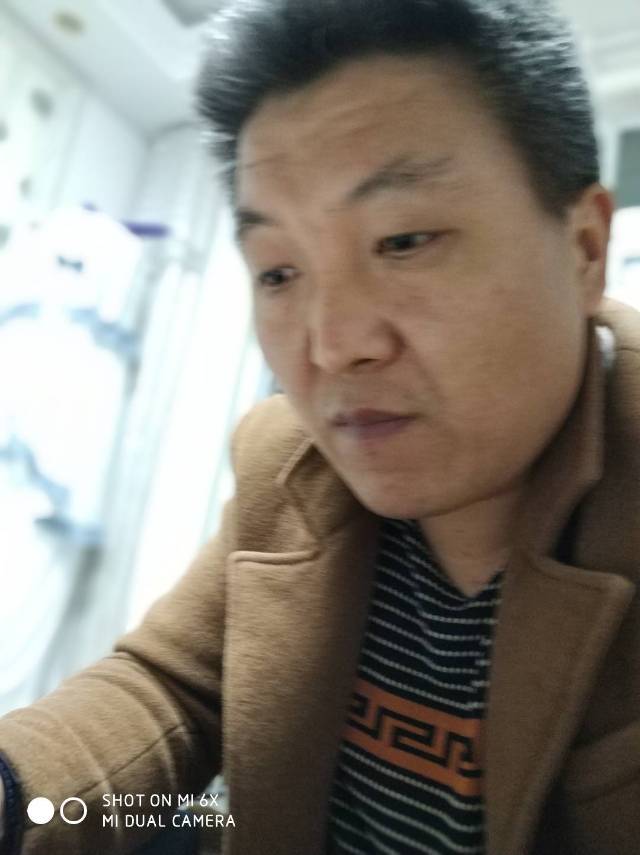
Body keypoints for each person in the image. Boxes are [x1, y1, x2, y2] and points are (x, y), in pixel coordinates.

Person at [1, 0, 638, 852]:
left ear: (584, 247)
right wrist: (17, 796)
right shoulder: (286, 461)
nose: (331, 346)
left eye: (404, 240)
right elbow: (172, 688)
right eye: (278, 272)